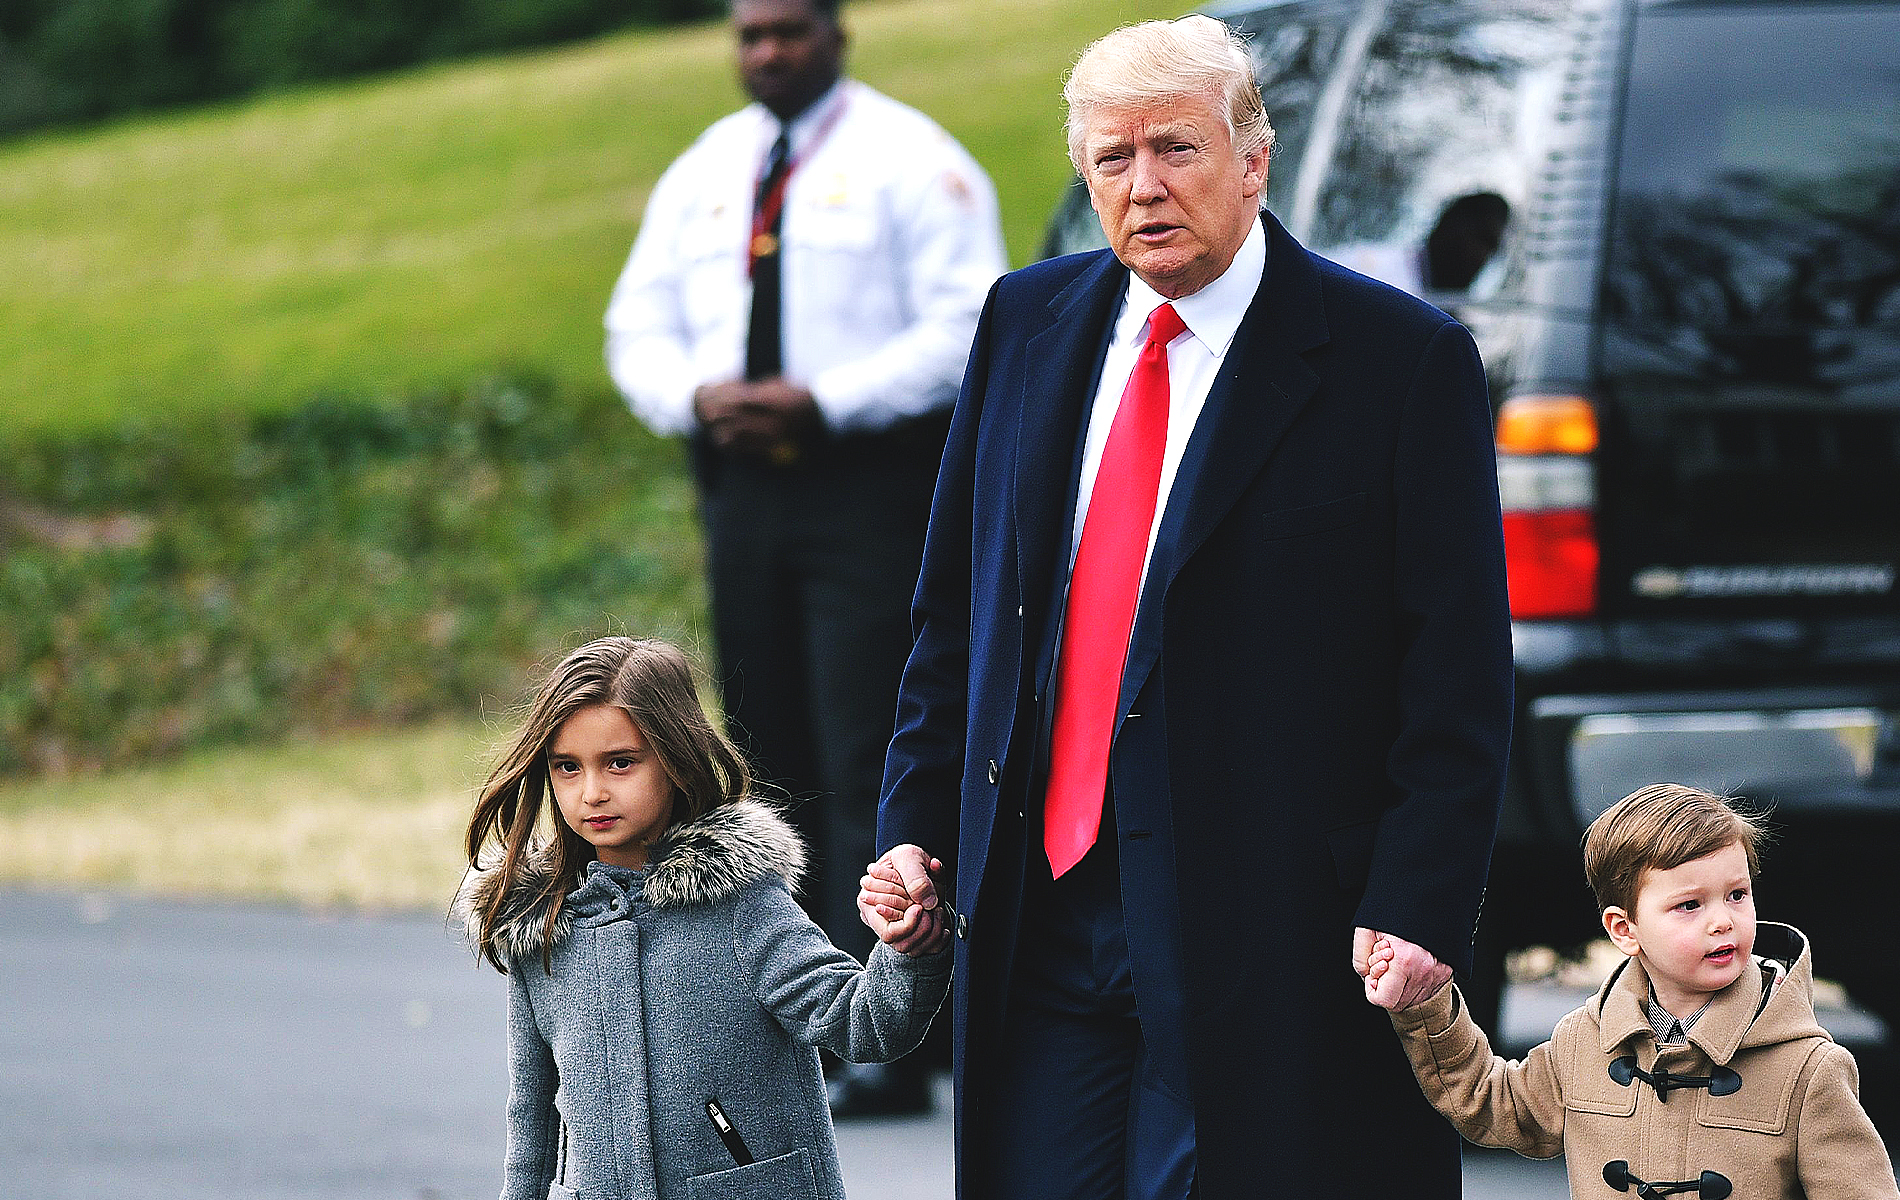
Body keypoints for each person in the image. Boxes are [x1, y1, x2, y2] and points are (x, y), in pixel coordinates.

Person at [861, 15, 1514, 1199]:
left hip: (1274, 930)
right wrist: (918, 825)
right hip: (1040, 911)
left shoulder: (1398, 362)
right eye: (1112, 161)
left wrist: (1419, 906)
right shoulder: (1025, 324)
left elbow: (1457, 675)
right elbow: (958, 619)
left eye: (1175, 149)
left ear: (1252, 160)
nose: (1144, 187)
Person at [602, 0, 1004, 1115]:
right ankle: (814, 1019)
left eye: (787, 30)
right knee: (765, 750)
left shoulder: (911, 161)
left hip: (866, 488)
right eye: (749, 34)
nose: (766, 51)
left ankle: (900, 1029)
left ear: (836, 33)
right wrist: (694, 396)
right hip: (743, 494)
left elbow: (971, 320)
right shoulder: (707, 171)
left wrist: (822, 401)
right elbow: (635, 322)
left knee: (869, 749)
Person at [458, 636, 953, 1200]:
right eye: (567, 768)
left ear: (675, 757)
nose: (592, 792)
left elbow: (863, 1026)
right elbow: (532, 1112)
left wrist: (908, 951)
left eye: (620, 763)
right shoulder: (539, 927)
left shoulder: (742, 905)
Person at [1366, 784, 1900, 1200]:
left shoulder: (1809, 1068)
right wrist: (1427, 1004)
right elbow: (1492, 1103)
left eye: (1737, 895)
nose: (1724, 921)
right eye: (1690, 905)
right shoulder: (1585, 1042)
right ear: (1624, 929)